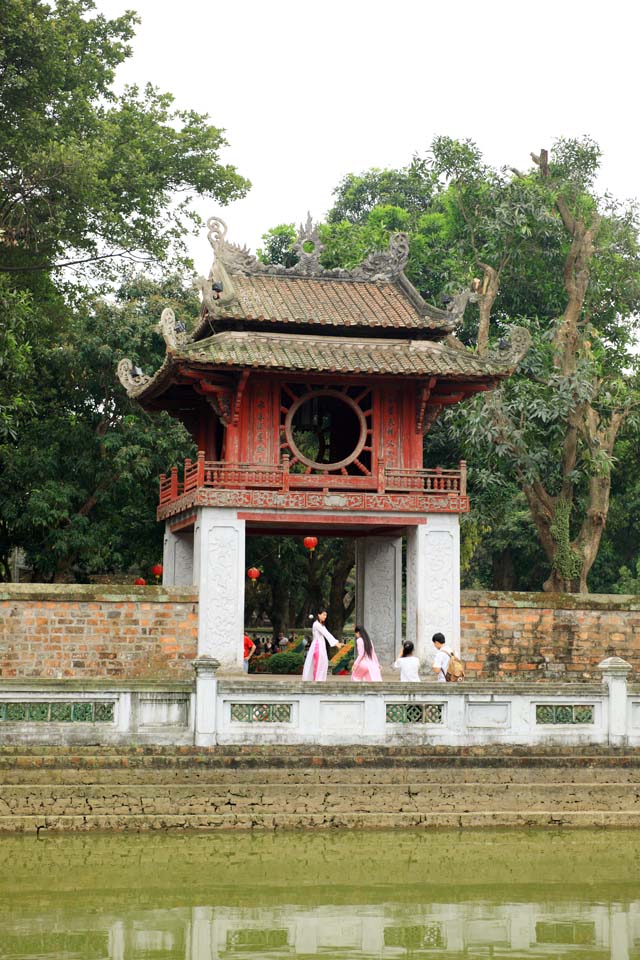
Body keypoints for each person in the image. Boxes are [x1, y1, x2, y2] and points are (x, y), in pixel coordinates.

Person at [302, 608, 343, 681]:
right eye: (323, 615)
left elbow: (326, 632)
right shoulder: (316, 624)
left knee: (323, 663)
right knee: (319, 664)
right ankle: (317, 680)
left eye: (326, 615)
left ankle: (320, 680)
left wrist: (336, 642)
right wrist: (336, 643)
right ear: (318, 615)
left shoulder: (321, 625)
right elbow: (326, 633)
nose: (325, 617)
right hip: (317, 647)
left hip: (321, 646)